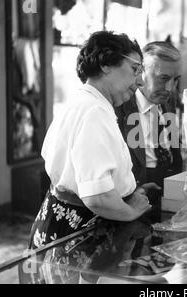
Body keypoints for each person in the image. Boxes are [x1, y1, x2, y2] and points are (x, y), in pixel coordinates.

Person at [26, 31, 157, 283]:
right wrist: (130, 210)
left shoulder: (84, 101)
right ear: (106, 64)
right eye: (134, 69)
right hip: (80, 234)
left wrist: (128, 190)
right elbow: (97, 196)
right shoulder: (94, 111)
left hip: (63, 222)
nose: (140, 81)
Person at [116, 41, 183, 224]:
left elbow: (174, 147)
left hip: (169, 187)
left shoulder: (167, 101)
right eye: (163, 78)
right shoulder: (120, 108)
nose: (170, 88)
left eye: (175, 80)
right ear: (141, 73)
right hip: (135, 192)